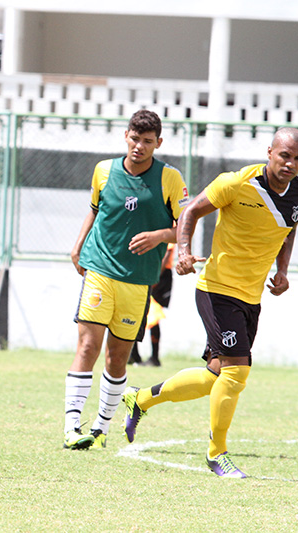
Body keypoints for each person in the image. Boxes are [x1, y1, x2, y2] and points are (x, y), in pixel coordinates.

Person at [122, 127, 298, 478]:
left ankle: (141, 399)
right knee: (237, 371)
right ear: (269, 152)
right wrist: (183, 252)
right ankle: (216, 454)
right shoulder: (236, 183)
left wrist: (282, 270)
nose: (291, 163)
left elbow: (290, 228)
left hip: (251, 296)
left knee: (216, 376)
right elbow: (191, 212)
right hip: (217, 288)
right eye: (285, 155)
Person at [64, 109, 189, 450]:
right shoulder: (104, 170)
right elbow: (94, 208)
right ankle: (72, 426)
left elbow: (185, 227)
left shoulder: (170, 179)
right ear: (126, 136)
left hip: (139, 280)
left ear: (158, 143)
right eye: (135, 139)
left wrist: (159, 236)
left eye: (147, 142)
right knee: (88, 346)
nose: (139, 147)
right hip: (100, 270)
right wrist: (77, 246)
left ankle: (101, 428)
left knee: (117, 356)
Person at [128, 243, 174, 367]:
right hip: (145, 271)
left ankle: (154, 357)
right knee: (135, 312)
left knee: (154, 317)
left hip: (159, 276)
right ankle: (134, 354)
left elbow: (167, 254)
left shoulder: (169, 226)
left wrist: (155, 277)